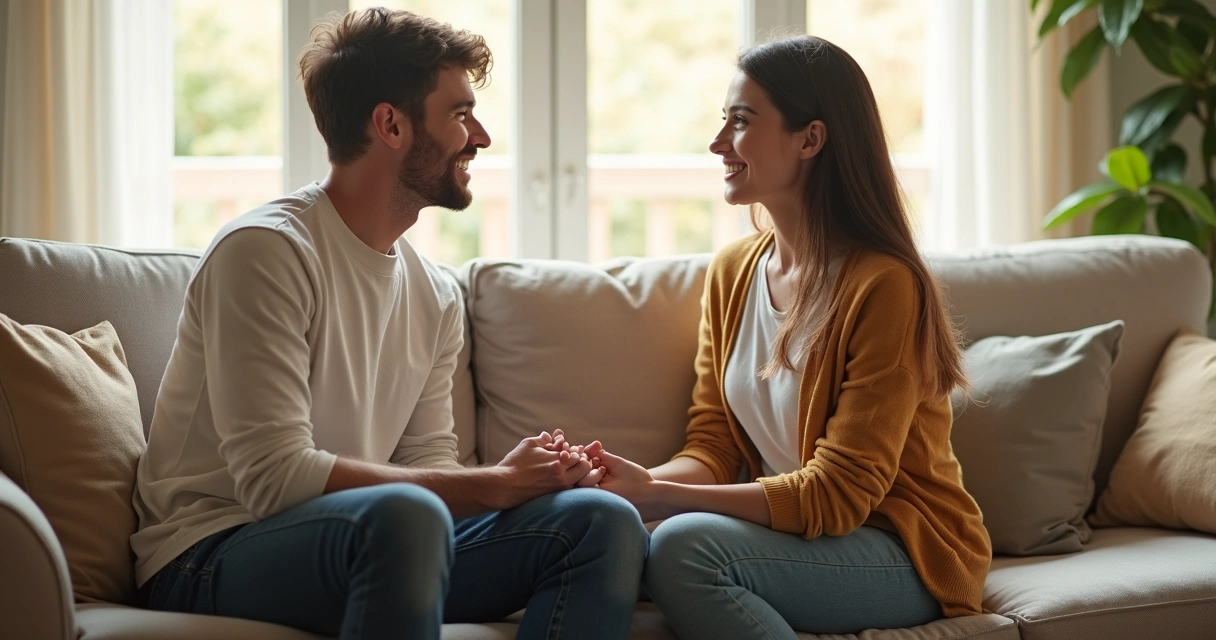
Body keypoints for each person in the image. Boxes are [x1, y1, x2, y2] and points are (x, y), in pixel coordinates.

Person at [130, 8, 647, 640]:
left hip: (383, 541)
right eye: (460, 114)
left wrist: (523, 483)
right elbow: (273, 479)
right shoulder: (265, 251)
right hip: (208, 552)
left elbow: (428, 465)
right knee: (405, 517)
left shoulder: (433, 292)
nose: (480, 136)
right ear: (391, 124)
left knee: (601, 521)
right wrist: (494, 484)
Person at [584, 35, 993, 638]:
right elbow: (716, 448)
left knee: (684, 547)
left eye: (741, 121)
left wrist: (664, 498)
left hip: (902, 550)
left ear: (810, 139)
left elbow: (840, 495)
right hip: (798, 538)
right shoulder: (731, 273)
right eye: (723, 120)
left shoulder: (885, 286)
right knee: (611, 538)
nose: (719, 142)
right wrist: (633, 489)